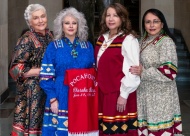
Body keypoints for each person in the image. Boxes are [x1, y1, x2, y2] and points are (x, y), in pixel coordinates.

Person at [39, 7, 98, 136]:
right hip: (61, 94)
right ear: (61, 26)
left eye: (74, 23)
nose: (70, 26)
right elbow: (45, 76)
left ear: (79, 25)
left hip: (82, 96)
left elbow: (93, 74)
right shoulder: (53, 47)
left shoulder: (87, 46)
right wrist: (53, 99)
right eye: (67, 23)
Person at [129, 9, 183, 136]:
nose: (151, 25)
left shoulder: (166, 42)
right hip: (144, 95)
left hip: (161, 98)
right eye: (148, 22)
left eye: (155, 21)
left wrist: (143, 72)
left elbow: (170, 72)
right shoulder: (142, 41)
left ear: (162, 24)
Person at [94, 3, 140, 136]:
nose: (111, 19)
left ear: (122, 18)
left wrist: (124, 95)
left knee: (118, 132)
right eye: (108, 15)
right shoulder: (101, 38)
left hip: (118, 94)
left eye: (115, 15)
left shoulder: (128, 40)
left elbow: (133, 70)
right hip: (103, 93)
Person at [9, 4, 53, 136]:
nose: (41, 20)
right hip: (32, 92)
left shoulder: (50, 36)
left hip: (49, 89)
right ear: (30, 22)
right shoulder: (26, 39)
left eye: (43, 16)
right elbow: (15, 69)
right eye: (36, 18)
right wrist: (43, 70)